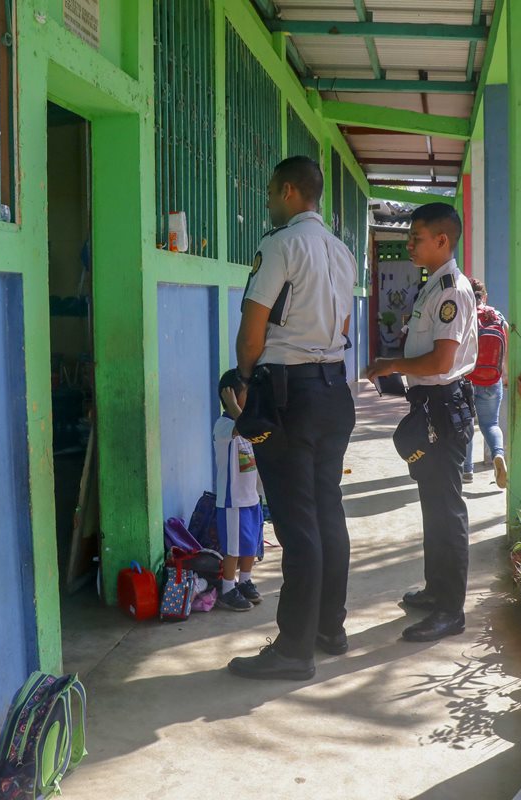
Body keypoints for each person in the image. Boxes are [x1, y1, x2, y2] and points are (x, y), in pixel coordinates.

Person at [226, 156, 357, 681]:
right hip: (333, 389)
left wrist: (242, 378)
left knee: (298, 522)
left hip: (289, 395)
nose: (266, 202)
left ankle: (293, 651)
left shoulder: (279, 244)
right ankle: (330, 627)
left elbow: (253, 331)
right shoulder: (343, 252)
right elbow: (343, 321)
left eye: (268, 192)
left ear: (286, 191)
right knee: (327, 511)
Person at [366, 202, 478, 643]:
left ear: (442, 241)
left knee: (447, 509)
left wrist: (391, 363)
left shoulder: (450, 288)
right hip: (429, 401)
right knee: (433, 503)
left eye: (416, 237)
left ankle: (451, 610)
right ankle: (436, 591)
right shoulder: (434, 284)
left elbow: (441, 360)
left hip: (443, 405)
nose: (409, 243)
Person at [212, 369, 265, 612]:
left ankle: (244, 581)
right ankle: (227, 589)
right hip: (232, 500)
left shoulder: (248, 421)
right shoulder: (224, 425)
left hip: (251, 497)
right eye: (247, 392)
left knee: (250, 544)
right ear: (231, 395)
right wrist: (233, 404)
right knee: (232, 548)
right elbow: (243, 427)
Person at [460, 279, 508, 488]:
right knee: (491, 424)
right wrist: (504, 374)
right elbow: (505, 347)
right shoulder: (498, 317)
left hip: (467, 379)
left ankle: (467, 470)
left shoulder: (464, 316)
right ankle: (498, 455)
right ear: (485, 296)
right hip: (492, 378)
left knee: (467, 423)